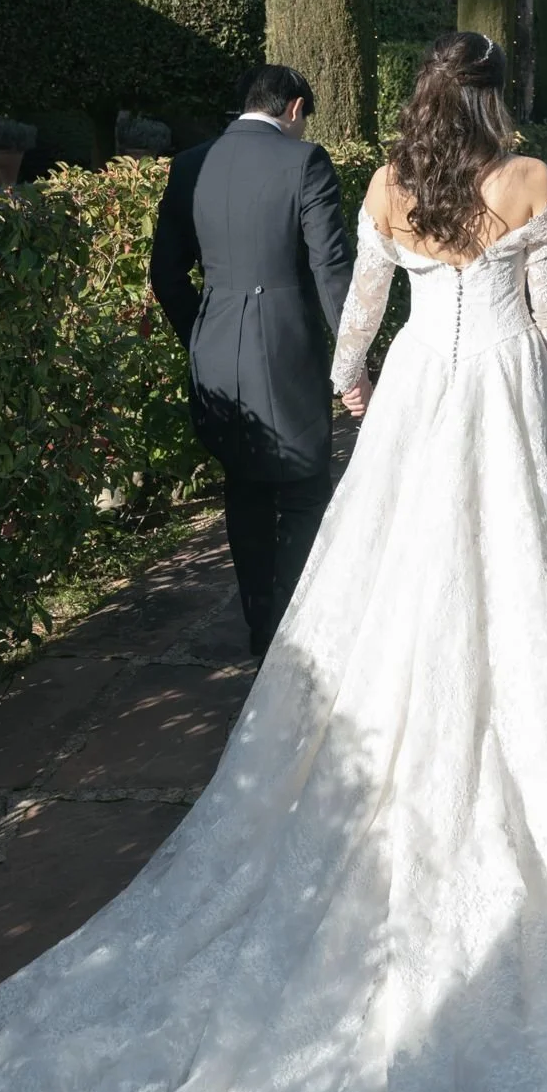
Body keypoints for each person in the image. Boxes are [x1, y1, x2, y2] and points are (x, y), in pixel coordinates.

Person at [0, 32, 547, 1092]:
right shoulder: (529, 179)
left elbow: (365, 313)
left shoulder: (384, 182)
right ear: (491, 100)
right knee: (520, 574)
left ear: (423, 100)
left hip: (421, 389)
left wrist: (351, 388)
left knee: (398, 571)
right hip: (505, 396)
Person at [149, 64, 359, 660]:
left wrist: (202, 331)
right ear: (294, 108)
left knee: (243, 488)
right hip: (286, 351)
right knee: (302, 491)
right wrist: (353, 358)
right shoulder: (304, 162)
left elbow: (165, 273)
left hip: (214, 349)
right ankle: (293, 636)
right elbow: (331, 271)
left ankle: (259, 626)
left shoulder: (190, 164)